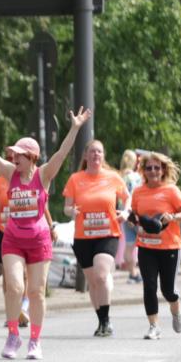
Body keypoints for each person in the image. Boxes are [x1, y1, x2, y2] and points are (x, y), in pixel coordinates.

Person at [0, 100, 92, 360]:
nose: (13, 158)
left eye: (19, 154)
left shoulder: (43, 175)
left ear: (31, 157)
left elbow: (61, 154)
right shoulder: (9, 173)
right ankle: (13, 335)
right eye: (13, 154)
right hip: (12, 239)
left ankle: (35, 340)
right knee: (14, 287)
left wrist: (75, 129)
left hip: (39, 240)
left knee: (36, 291)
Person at [63, 140, 131, 337]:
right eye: (92, 152)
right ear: (86, 156)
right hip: (83, 237)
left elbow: (128, 198)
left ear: (103, 156)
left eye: (99, 152)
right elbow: (67, 207)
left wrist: (126, 212)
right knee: (93, 282)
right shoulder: (76, 179)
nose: (95, 155)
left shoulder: (113, 177)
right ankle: (101, 319)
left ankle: (106, 320)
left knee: (101, 275)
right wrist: (71, 211)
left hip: (107, 233)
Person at [0, 151, 57, 328]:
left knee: (29, 278)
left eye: (16, 157)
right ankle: (14, 311)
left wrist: (51, 226)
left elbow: (42, 207)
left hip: (35, 234)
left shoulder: (39, 178)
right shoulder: (0, 182)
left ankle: (24, 308)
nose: (13, 160)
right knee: (11, 281)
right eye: (10, 158)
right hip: (6, 231)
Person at [129, 152, 181, 339]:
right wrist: (136, 225)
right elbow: (135, 216)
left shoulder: (171, 190)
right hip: (146, 247)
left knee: (168, 290)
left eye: (157, 167)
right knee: (149, 286)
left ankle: (176, 310)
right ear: (144, 171)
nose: (153, 171)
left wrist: (172, 217)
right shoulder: (138, 192)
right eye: (149, 168)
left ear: (163, 170)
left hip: (169, 247)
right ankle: (153, 326)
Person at [120, 150, 143, 283]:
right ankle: (137, 272)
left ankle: (132, 273)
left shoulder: (120, 177)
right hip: (136, 214)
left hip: (124, 214)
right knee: (143, 243)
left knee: (129, 246)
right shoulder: (136, 178)